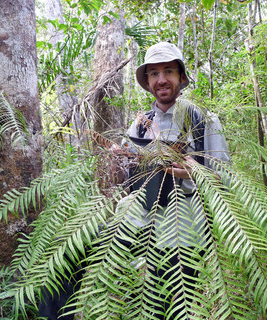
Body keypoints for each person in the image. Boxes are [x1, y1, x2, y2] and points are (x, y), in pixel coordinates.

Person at [39, 42, 230, 319]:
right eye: (153, 74)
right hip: (137, 215)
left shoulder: (202, 119)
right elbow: (128, 178)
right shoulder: (140, 123)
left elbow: (224, 176)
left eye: (168, 71)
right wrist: (120, 159)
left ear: (181, 77)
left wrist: (192, 171)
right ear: (148, 82)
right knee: (66, 255)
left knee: (163, 305)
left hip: (183, 228)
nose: (161, 79)